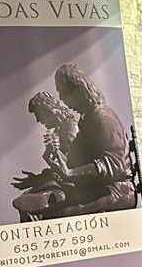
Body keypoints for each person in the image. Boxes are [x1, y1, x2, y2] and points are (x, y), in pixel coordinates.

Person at [43, 63, 136, 218]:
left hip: (117, 191)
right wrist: (56, 156)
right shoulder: (87, 120)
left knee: (55, 214)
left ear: (79, 90)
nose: (60, 98)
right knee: (44, 201)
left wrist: (69, 172)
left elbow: (115, 165)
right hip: (100, 188)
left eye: (63, 93)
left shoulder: (102, 116)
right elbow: (76, 160)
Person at [11, 92, 79, 220]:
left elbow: (72, 165)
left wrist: (54, 152)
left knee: (27, 204)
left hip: (72, 186)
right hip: (60, 181)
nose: (38, 120)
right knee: (26, 199)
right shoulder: (60, 130)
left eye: (38, 115)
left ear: (49, 110)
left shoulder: (71, 128)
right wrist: (36, 179)